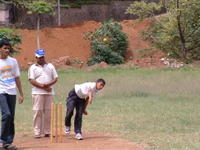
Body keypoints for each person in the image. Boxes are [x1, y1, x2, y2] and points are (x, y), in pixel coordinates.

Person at [28, 49, 58, 138]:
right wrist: (43, 87)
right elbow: (31, 80)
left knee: (48, 112)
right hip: (37, 93)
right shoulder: (33, 67)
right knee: (37, 112)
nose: (41, 58)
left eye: (42, 56)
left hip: (49, 93)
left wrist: (48, 85)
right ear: (36, 57)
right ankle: (37, 132)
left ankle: (47, 131)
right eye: (39, 57)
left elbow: (55, 78)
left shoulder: (50, 66)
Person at [0, 39, 24, 149]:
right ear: (0, 49)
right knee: (7, 114)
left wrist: (21, 93)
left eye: (8, 48)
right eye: (5, 48)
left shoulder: (13, 61)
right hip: (1, 91)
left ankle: (8, 143)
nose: (7, 50)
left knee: (11, 117)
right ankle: (2, 140)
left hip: (12, 91)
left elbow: (17, 78)